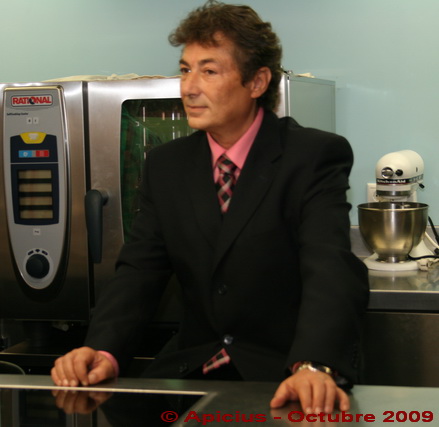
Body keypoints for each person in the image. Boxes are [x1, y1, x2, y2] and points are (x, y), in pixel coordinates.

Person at [51, 0, 369, 415]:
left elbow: (329, 266)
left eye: (209, 71)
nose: (189, 87)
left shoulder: (311, 156)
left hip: (284, 371)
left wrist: (313, 364)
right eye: (185, 70)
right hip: (191, 370)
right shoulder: (166, 166)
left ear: (257, 82)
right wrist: (102, 348)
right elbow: (140, 270)